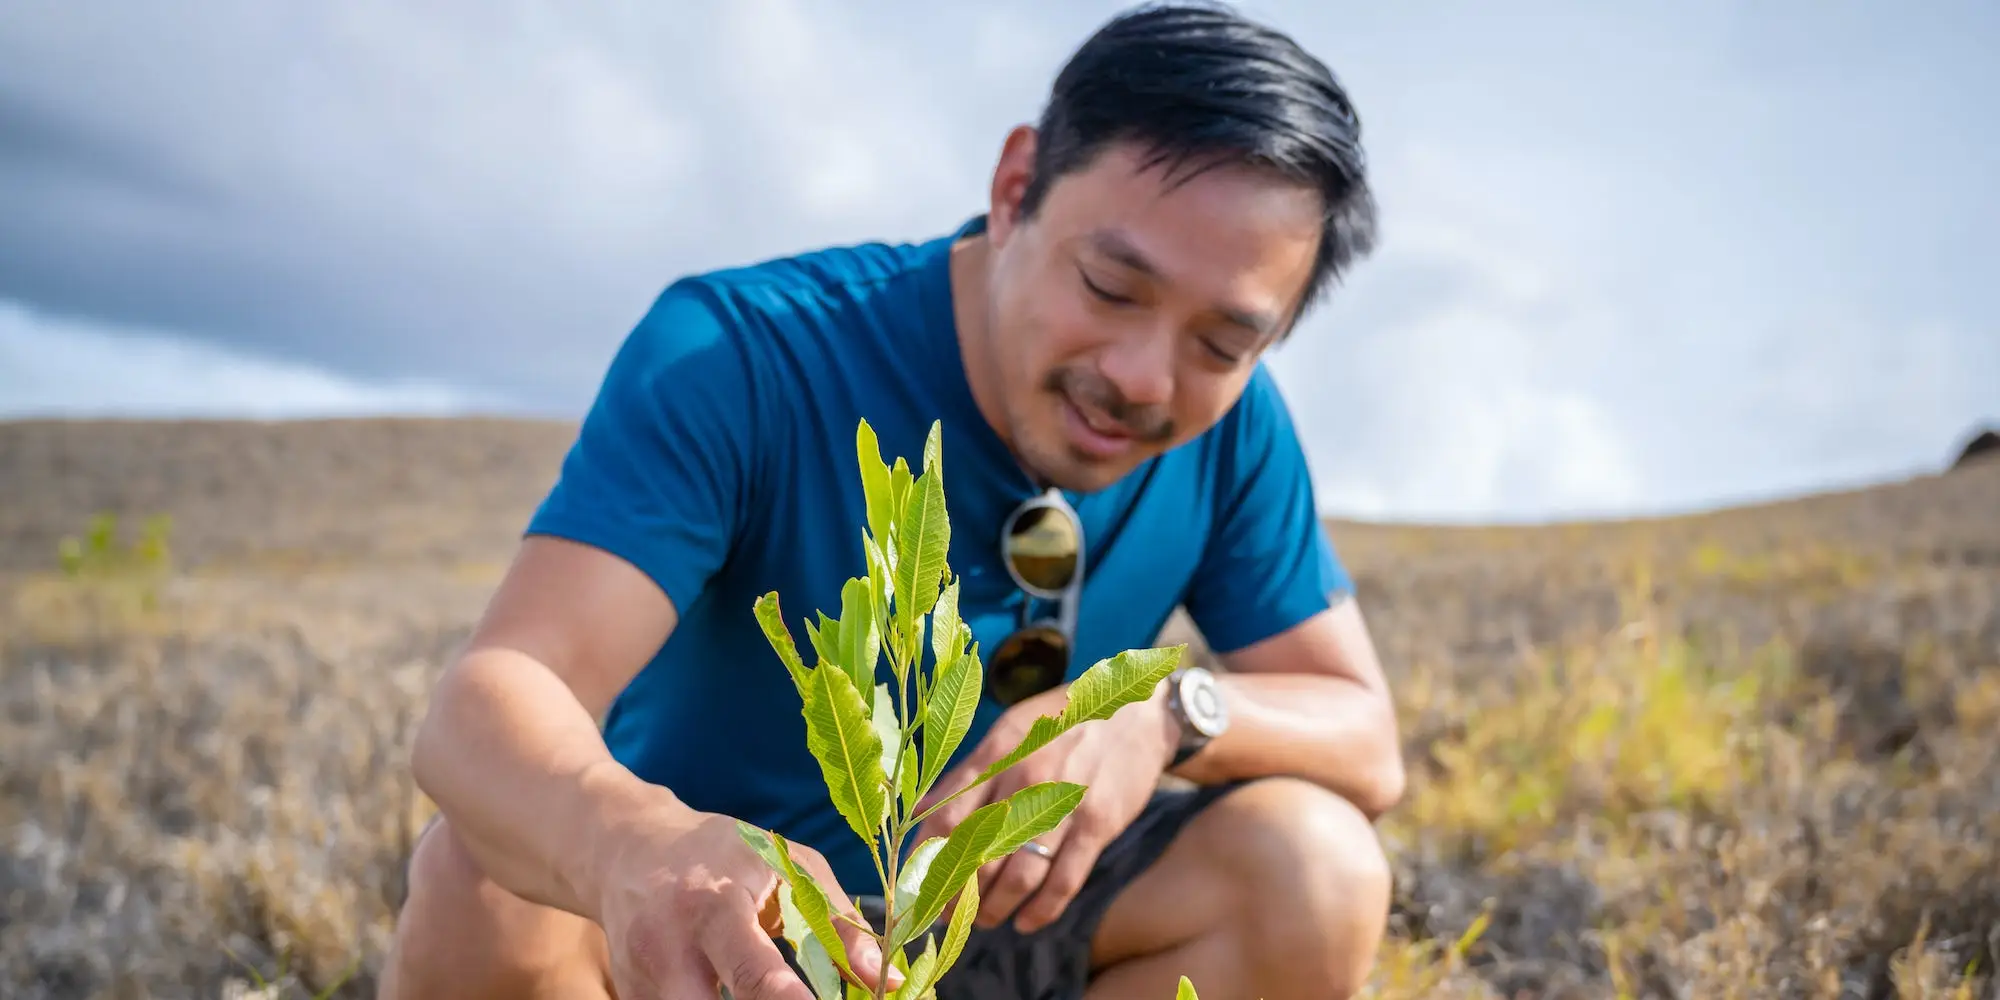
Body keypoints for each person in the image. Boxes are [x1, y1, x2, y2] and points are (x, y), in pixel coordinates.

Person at [377, 4, 1404, 999]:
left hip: (991, 929)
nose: (1143, 376)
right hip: (720, 932)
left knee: (1312, 868)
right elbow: (489, 702)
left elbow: (1362, 736)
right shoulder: (741, 354)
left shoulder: (1231, 429)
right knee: (484, 885)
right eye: (1108, 286)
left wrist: (1158, 709)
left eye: (1220, 345)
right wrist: (631, 845)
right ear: (1014, 189)